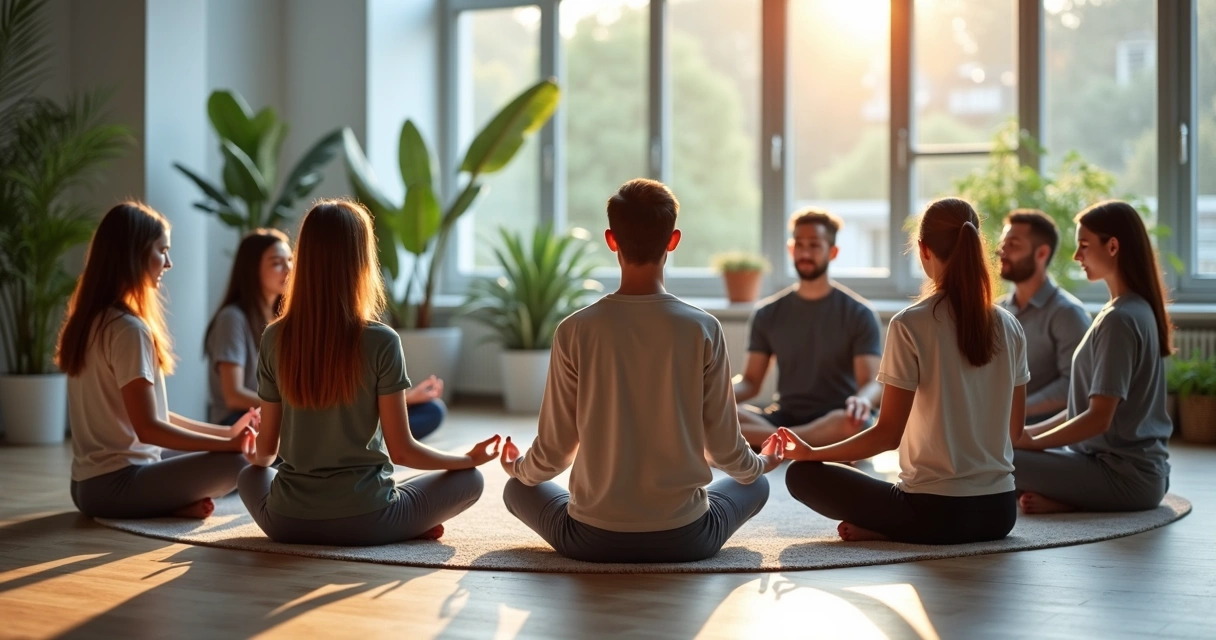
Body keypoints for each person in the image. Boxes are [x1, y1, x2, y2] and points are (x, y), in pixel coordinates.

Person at [499, 178, 784, 563]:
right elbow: (725, 451)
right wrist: (764, 462)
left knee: (517, 489)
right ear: (673, 240)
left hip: (590, 539)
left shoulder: (574, 329)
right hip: (687, 538)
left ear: (611, 239)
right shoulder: (703, 328)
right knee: (757, 485)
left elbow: (553, 454)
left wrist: (516, 467)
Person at [237, 199, 499, 546]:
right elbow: (403, 452)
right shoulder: (381, 340)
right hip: (366, 521)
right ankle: (405, 526)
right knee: (470, 480)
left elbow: (266, 454)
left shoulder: (274, 337)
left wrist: (251, 451)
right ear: (362, 261)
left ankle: (403, 523)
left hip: (287, 522)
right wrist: (468, 458)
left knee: (247, 476)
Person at [781, 198, 1028, 545]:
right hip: (1000, 514)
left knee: (801, 475)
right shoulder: (1010, 325)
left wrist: (812, 453)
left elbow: (887, 436)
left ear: (923, 249)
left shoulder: (910, 323)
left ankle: (891, 528)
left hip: (933, 513)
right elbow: (1015, 430)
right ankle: (893, 527)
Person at [56, 203, 254, 520]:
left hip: (85, 487)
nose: (169, 262)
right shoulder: (127, 329)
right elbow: (149, 429)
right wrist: (230, 448)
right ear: (133, 254)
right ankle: (165, 504)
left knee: (229, 451)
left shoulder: (91, 320)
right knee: (240, 462)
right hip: (116, 486)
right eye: (162, 250)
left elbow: (154, 415)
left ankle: (168, 502)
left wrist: (227, 435)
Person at [205, 230, 449, 437]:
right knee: (332, 431)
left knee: (431, 411)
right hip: (243, 419)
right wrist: (308, 411)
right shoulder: (232, 319)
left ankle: (353, 443)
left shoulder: (284, 320)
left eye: (290, 261)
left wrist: (398, 398)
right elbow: (233, 396)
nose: (288, 269)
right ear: (251, 269)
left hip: (291, 414)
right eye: (277, 263)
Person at [1013, 200, 1173, 514]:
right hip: (1135, 473)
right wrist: (1031, 434)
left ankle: (1069, 500)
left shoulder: (1120, 319)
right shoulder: (1129, 309)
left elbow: (1099, 418)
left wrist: (1032, 444)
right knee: (1005, 450)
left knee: (995, 459)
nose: (1076, 256)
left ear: (1112, 246)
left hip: (1125, 477)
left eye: (1084, 245)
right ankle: (1067, 500)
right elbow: (1083, 408)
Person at [734, 208, 882, 447]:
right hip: (783, 416)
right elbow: (750, 382)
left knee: (855, 423)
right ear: (791, 249)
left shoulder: (859, 313)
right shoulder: (767, 313)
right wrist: (712, 398)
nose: (804, 252)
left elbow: (872, 382)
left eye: (814, 245)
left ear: (832, 252)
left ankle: (779, 442)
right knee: (712, 415)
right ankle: (801, 442)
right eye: (799, 244)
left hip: (836, 417)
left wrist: (863, 401)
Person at [996, 209, 1092, 424]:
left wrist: (1013, 410)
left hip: (1041, 434)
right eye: (1003, 244)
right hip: (997, 428)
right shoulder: (996, 310)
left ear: (1041, 253)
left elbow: (1075, 385)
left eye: (1013, 244)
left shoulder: (1067, 313)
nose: (1001, 252)